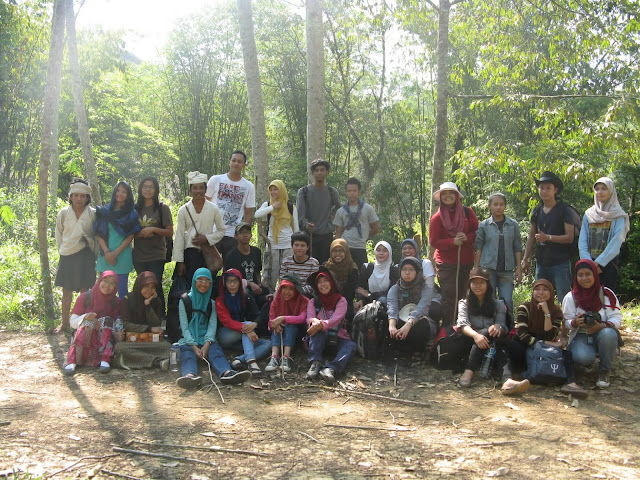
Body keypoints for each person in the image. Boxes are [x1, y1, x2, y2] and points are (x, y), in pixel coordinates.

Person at [456, 268, 529, 395]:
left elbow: (503, 325)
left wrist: (498, 327)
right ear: (469, 285)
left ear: (488, 285)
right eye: (475, 283)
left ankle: (507, 381)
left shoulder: (498, 304)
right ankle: (469, 370)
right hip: (471, 341)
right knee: (486, 334)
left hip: (494, 343)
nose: (478, 286)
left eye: (481, 283)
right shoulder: (464, 303)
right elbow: (462, 325)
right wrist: (476, 336)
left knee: (500, 343)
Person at [510, 279, 588, 398]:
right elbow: (523, 335)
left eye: (545, 289)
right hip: (526, 345)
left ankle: (571, 383)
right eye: (537, 289)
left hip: (544, 348)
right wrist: (546, 343)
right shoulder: (524, 308)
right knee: (513, 347)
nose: (540, 292)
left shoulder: (556, 311)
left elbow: (551, 335)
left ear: (551, 292)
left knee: (566, 355)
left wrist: (546, 313)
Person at [176, 268, 251, 389]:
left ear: (211, 283)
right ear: (194, 281)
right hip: (189, 341)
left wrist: (207, 344)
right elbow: (184, 328)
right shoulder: (184, 300)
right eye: (200, 280)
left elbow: (212, 326)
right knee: (187, 355)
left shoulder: (211, 304)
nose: (203, 283)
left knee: (216, 352)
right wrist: (194, 346)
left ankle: (227, 373)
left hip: (207, 340)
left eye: (207, 281)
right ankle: (189, 377)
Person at [562, 259, 622, 389]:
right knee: (583, 358)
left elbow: (617, 319)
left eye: (588, 274)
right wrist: (575, 322)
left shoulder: (606, 294)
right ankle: (585, 360)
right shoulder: (571, 297)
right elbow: (566, 322)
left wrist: (602, 326)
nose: (584, 278)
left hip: (602, 332)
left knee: (609, 334)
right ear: (576, 277)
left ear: (595, 274)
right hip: (581, 336)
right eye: (580, 275)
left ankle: (604, 371)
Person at [522, 171, 577, 303]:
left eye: (548, 188)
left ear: (555, 190)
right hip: (542, 261)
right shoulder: (536, 211)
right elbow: (531, 236)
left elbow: (569, 237)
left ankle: (566, 322)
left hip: (561, 261)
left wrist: (548, 238)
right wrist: (525, 259)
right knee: (539, 297)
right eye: (541, 187)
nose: (544, 191)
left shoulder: (565, 210)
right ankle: (540, 322)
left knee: (565, 298)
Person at [429, 182, 479, 326]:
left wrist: (466, 238)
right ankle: (448, 329)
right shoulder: (436, 218)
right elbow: (434, 241)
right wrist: (452, 242)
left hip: (466, 261)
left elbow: (477, 232)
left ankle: (464, 327)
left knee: (465, 296)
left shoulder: (468, 212)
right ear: (440, 197)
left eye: (451, 192)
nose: (448, 196)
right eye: (444, 193)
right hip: (446, 264)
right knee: (449, 296)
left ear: (457, 195)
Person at [54, 179, 97, 333]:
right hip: (67, 254)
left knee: (84, 291)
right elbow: (59, 235)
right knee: (66, 291)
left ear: (87, 198)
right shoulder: (64, 213)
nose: (79, 198)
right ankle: (64, 323)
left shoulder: (93, 214)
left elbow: (96, 236)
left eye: (83, 196)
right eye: (76, 195)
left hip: (86, 254)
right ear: (71, 196)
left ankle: (82, 323)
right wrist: (63, 251)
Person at [305, 267, 357, 386]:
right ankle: (315, 363)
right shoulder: (313, 301)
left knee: (351, 346)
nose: (323, 284)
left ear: (331, 282)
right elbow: (309, 317)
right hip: (320, 336)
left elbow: (335, 319)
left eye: (325, 281)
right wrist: (314, 322)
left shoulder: (341, 301)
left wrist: (320, 324)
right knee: (316, 334)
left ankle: (331, 369)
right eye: (319, 282)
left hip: (338, 337)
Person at [216, 269, 271, 377]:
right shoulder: (220, 300)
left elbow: (257, 315)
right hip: (226, 335)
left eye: (235, 281)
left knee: (268, 344)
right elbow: (227, 321)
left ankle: (238, 360)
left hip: (242, 338)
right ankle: (251, 362)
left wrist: (254, 325)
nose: (232, 284)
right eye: (228, 281)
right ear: (224, 283)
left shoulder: (246, 297)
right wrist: (247, 328)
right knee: (247, 323)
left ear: (240, 282)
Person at [63, 271, 120, 375]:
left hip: (105, 337)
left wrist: (118, 332)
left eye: (112, 284)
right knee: (90, 321)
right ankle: (73, 360)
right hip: (84, 336)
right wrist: (85, 316)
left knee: (107, 320)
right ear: (99, 281)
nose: (107, 286)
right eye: (105, 281)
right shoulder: (85, 297)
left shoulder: (115, 301)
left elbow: (117, 323)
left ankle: (104, 359)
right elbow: (72, 323)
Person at [474, 192, 522, 315]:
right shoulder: (484, 225)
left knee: (507, 300)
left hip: (507, 270)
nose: (498, 207)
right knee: (489, 299)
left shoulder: (513, 225)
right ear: (490, 206)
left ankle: (509, 329)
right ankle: (491, 329)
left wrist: (519, 268)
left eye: (501, 204)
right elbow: (478, 247)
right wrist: (476, 268)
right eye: (495, 204)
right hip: (488, 269)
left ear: (505, 206)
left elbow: (517, 247)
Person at [173, 171, 225, 285]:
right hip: (190, 255)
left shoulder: (213, 209)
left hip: (207, 254)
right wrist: (180, 261)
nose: (198, 191)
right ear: (190, 190)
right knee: (190, 285)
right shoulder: (183, 210)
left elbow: (221, 230)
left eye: (201, 188)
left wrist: (207, 238)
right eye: (195, 188)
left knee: (206, 284)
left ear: (205, 190)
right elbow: (179, 236)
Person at [578, 177, 630, 290]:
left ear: (610, 191)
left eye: (603, 189)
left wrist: (599, 263)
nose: (599, 192)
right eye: (597, 189)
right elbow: (582, 240)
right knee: (588, 298)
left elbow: (616, 242)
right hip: (589, 263)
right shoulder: (589, 214)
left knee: (607, 298)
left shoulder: (618, 216)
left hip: (609, 264)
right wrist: (588, 262)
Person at [112, 271, 171, 369]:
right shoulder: (128, 299)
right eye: (146, 286)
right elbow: (126, 324)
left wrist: (148, 306)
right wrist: (148, 329)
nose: (149, 290)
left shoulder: (156, 301)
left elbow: (156, 323)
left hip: (150, 340)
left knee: (167, 347)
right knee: (120, 348)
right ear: (139, 286)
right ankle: (156, 361)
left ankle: (136, 360)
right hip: (132, 340)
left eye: (152, 287)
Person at [133, 176, 173, 312]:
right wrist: (141, 233)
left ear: (156, 190)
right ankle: (142, 316)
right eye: (145, 186)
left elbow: (169, 231)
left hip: (156, 254)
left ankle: (160, 316)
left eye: (151, 187)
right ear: (140, 189)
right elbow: (129, 232)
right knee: (141, 286)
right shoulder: (135, 209)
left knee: (155, 285)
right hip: (139, 255)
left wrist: (154, 230)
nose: (148, 190)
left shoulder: (162, 208)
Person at [94, 181, 141, 299]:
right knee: (103, 289)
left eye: (124, 192)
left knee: (122, 290)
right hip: (105, 255)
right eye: (118, 191)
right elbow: (99, 233)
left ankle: (121, 316)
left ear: (128, 195)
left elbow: (130, 236)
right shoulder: (104, 212)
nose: (120, 194)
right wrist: (107, 253)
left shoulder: (132, 214)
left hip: (122, 255)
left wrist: (115, 254)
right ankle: (104, 315)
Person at [205, 150, 256, 257]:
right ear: (229, 162)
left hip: (233, 234)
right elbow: (204, 203)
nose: (236, 163)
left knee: (230, 268)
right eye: (234, 160)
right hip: (213, 231)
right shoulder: (215, 180)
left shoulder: (248, 186)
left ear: (244, 165)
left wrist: (244, 234)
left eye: (240, 161)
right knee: (211, 267)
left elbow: (248, 212)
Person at [255, 180, 299, 293]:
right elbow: (257, 214)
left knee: (286, 273)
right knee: (270, 273)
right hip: (272, 244)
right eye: (271, 190)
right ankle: (269, 296)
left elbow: (296, 228)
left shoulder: (290, 207)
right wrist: (273, 207)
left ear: (282, 190)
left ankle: (284, 296)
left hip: (287, 243)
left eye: (276, 189)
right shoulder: (268, 204)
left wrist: (296, 246)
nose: (273, 192)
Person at [296, 158, 342, 264]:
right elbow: (300, 217)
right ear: (312, 173)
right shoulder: (303, 192)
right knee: (310, 270)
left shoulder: (331, 191)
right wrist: (307, 224)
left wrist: (333, 215)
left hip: (327, 236)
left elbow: (340, 208)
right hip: (309, 238)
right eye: (316, 170)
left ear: (327, 172)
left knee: (326, 269)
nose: (319, 173)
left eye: (322, 170)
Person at [386, 257, 434, 356]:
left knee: (422, 324)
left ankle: (417, 351)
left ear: (417, 271)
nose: (407, 273)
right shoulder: (395, 288)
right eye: (404, 269)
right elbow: (392, 308)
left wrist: (408, 324)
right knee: (385, 319)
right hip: (400, 321)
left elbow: (422, 309)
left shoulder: (426, 289)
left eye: (411, 269)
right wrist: (392, 326)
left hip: (417, 323)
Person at [264, 273, 309, 373]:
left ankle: (286, 357)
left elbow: (301, 318)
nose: (286, 292)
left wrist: (283, 318)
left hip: (297, 334)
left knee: (290, 325)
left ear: (296, 290)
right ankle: (274, 356)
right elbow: (271, 320)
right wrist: (275, 324)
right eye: (284, 288)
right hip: (279, 334)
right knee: (277, 325)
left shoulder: (304, 301)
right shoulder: (276, 301)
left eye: (291, 289)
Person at [333, 177, 379, 268]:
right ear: (346, 192)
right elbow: (338, 232)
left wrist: (365, 236)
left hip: (360, 247)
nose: (352, 193)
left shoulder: (368, 209)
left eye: (354, 190)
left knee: (361, 273)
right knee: (344, 273)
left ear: (359, 192)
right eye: (349, 191)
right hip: (345, 248)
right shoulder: (340, 211)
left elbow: (375, 228)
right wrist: (335, 248)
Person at [223, 222, 268, 306]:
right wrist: (249, 284)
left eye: (247, 232)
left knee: (268, 296)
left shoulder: (256, 252)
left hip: (256, 287)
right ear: (235, 236)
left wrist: (260, 283)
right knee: (247, 295)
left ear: (251, 235)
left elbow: (257, 271)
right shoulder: (231, 255)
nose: (245, 235)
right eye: (241, 232)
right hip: (240, 287)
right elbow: (230, 279)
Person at [354, 241, 399, 311]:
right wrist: (360, 299)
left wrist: (370, 295)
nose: (381, 253)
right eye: (378, 250)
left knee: (382, 300)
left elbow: (390, 292)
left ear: (389, 253)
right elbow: (360, 288)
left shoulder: (394, 271)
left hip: (386, 304)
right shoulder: (367, 267)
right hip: (367, 302)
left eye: (385, 250)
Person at [324, 239, 359, 323]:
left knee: (347, 315)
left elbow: (350, 292)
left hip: (345, 301)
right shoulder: (326, 267)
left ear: (346, 252)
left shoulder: (352, 269)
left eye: (341, 251)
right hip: (326, 300)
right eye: (334, 251)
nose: (337, 254)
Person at [279, 231, 320, 297]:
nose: (299, 248)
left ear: (307, 247)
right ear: (292, 246)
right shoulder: (286, 262)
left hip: (306, 296)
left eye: (302, 246)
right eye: (296, 245)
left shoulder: (313, 263)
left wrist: (296, 291)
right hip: (287, 294)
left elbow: (313, 285)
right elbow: (283, 281)